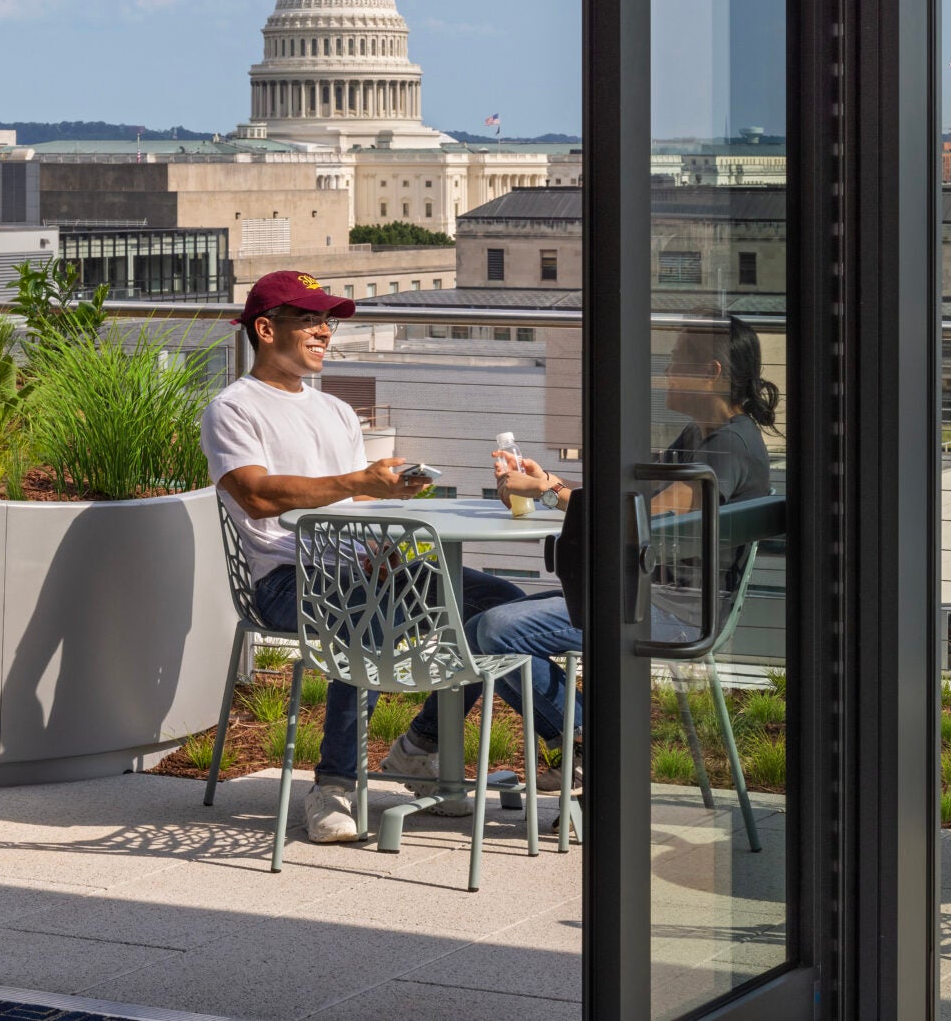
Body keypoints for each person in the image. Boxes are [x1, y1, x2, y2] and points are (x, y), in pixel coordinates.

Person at [204, 270, 538, 841]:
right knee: (373, 614)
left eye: (326, 321)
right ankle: (335, 784)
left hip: (365, 571)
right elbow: (257, 496)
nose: (323, 332)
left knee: (501, 605)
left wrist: (388, 505)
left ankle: (421, 747)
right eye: (308, 320)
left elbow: (354, 498)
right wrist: (358, 482)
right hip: (289, 578)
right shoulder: (233, 408)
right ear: (265, 328)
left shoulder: (333, 410)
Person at [466, 317, 784, 767]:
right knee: (484, 623)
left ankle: (584, 739)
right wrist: (552, 481)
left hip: (673, 612)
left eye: (674, 363)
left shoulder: (728, 445)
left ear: (711, 373)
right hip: (647, 594)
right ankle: (568, 741)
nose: (664, 375)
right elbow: (630, 500)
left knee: (497, 630)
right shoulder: (703, 434)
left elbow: (650, 518)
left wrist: (549, 494)